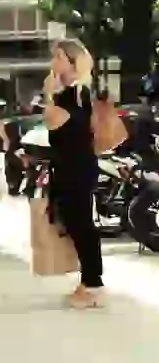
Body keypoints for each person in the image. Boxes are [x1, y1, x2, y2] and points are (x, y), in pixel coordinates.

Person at [43, 39, 103, 309]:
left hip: (76, 167)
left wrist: (48, 96)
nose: (53, 63)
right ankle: (88, 281)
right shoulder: (71, 92)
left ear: (71, 61)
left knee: (81, 225)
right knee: (76, 223)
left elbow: (54, 122)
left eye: (58, 57)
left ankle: (94, 285)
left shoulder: (77, 92)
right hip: (71, 165)